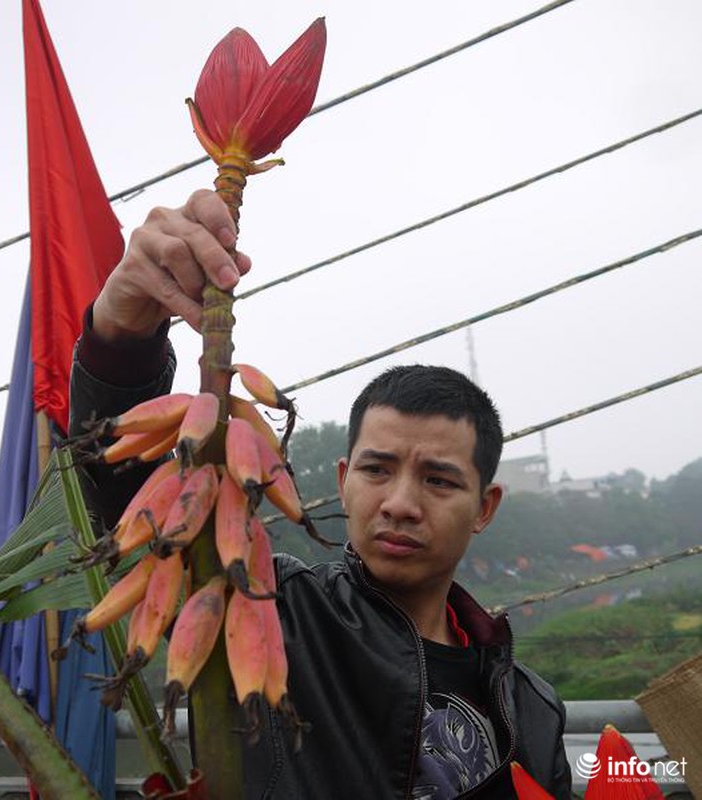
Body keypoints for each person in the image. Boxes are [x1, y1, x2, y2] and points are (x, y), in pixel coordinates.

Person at [69, 190, 572, 800]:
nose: (400, 503)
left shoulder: (533, 708)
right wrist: (122, 336)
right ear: (343, 479)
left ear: (485, 507)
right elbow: (155, 515)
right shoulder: (267, 607)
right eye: (377, 470)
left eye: (438, 480)